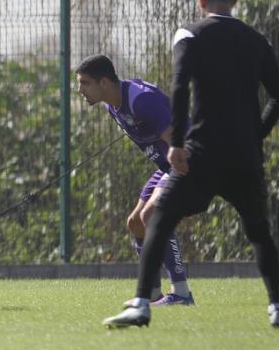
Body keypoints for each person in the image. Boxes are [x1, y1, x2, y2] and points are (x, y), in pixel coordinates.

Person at [105, 0, 279, 328]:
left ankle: (142, 304)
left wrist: (176, 145)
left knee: (158, 218)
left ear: (201, 1)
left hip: (201, 151)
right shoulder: (258, 40)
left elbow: (179, 87)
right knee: (259, 231)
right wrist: (256, 136)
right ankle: (277, 309)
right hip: (244, 156)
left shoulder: (190, 33)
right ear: (235, 2)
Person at [75, 55, 193, 305]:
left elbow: (181, 142)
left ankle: (182, 294)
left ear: (104, 82)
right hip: (165, 165)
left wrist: (189, 189)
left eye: (85, 83)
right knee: (135, 224)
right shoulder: (112, 105)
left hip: (185, 160)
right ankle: (151, 295)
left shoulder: (141, 101)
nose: (80, 90)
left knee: (152, 216)